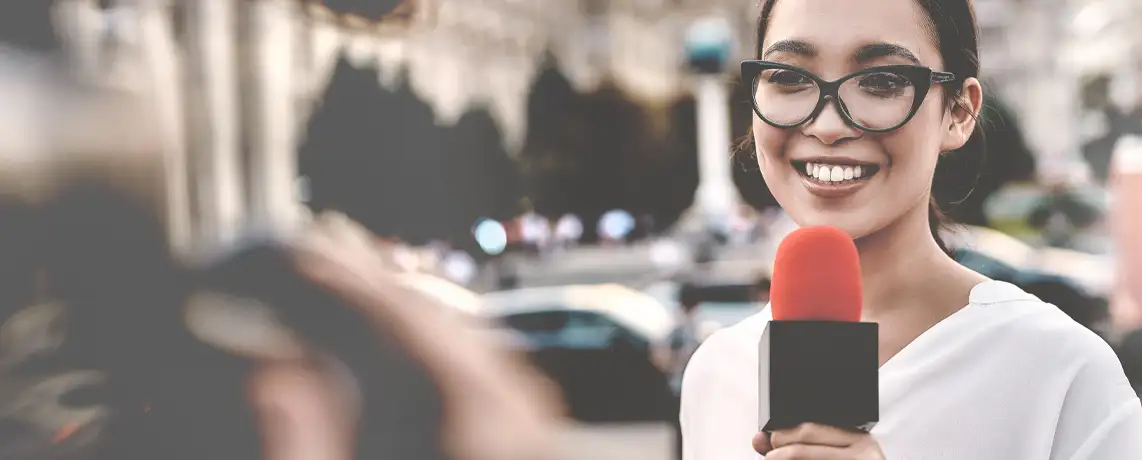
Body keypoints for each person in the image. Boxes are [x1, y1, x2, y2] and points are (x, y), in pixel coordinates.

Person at [679, 0, 1142, 459]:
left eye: (882, 82)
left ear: (959, 112)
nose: (827, 124)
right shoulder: (718, 373)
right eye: (789, 77)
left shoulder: (1058, 371)